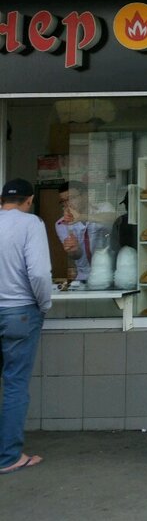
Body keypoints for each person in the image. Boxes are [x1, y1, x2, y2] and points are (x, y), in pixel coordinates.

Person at [0, 178, 52, 475]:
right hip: (19, 312)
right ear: (29, 200)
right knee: (15, 385)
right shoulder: (31, 224)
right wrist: (44, 304)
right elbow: (40, 273)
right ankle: (9, 457)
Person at [54, 180, 113, 286]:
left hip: (108, 273)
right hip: (83, 277)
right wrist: (73, 250)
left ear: (85, 196)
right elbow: (76, 256)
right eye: (63, 201)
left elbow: (115, 219)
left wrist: (82, 217)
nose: (67, 204)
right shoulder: (61, 224)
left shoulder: (103, 208)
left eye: (71, 198)